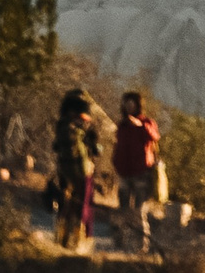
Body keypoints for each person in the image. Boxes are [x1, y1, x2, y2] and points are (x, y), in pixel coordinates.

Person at [113, 89, 163, 249]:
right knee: (122, 210)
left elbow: (155, 137)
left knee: (139, 211)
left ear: (137, 105)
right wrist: (116, 163)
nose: (128, 107)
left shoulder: (147, 123)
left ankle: (141, 245)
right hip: (124, 172)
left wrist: (140, 126)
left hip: (141, 173)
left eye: (131, 104)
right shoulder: (122, 125)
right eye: (126, 104)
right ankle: (120, 244)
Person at [53, 88, 103, 249]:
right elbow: (94, 151)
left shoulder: (62, 126)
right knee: (82, 204)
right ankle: (77, 241)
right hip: (82, 170)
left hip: (65, 170)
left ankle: (63, 239)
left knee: (66, 204)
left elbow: (56, 147)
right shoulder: (79, 128)